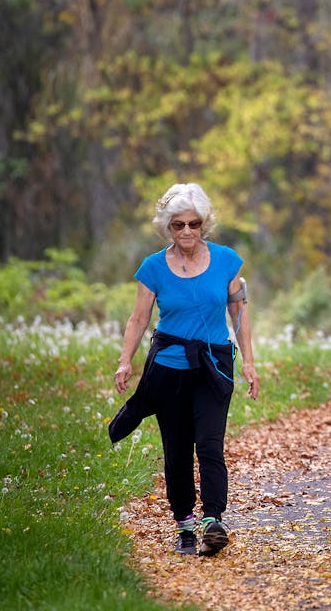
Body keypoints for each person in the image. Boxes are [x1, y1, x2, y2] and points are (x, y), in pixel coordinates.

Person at [109, 182, 260, 556]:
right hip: (169, 367)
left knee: (210, 444)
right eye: (179, 225)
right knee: (176, 449)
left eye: (194, 224)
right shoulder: (153, 267)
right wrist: (125, 361)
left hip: (213, 366)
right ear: (168, 228)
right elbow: (138, 318)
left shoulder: (227, 261)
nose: (187, 231)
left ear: (203, 224)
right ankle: (185, 526)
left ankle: (213, 520)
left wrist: (250, 363)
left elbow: (239, 314)